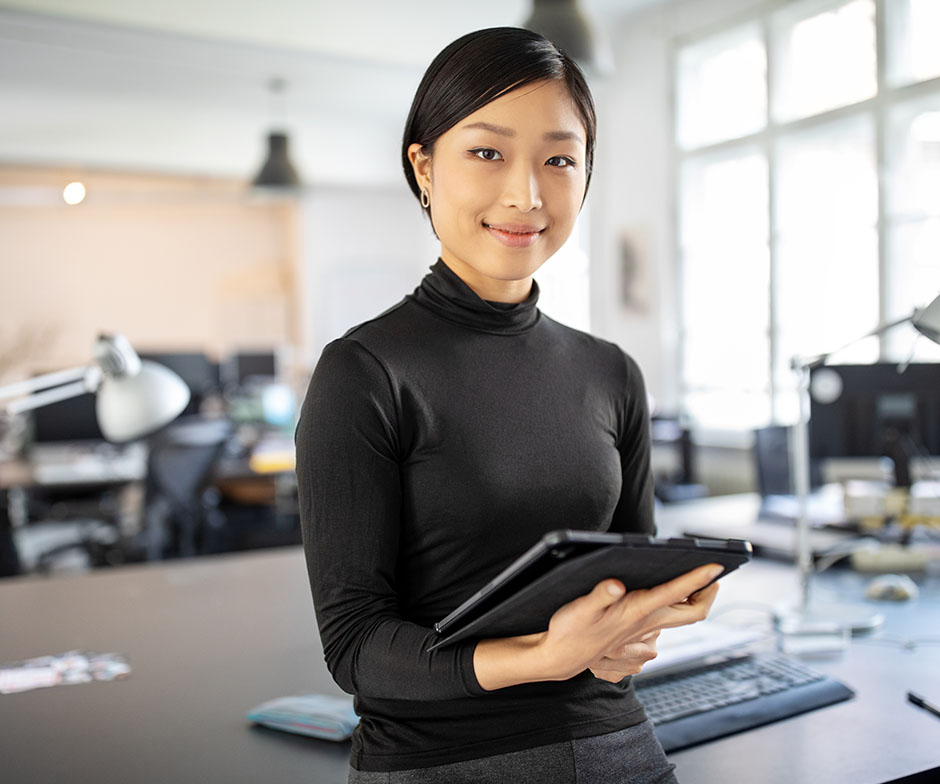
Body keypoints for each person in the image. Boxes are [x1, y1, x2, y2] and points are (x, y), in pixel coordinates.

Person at [295, 26, 720, 784]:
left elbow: (624, 597)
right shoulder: (363, 372)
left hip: (616, 744)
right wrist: (542, 657)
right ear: (423, 166)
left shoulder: (612, 373)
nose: (526, 194)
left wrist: (634, 635)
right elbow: (356, 645)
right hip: (440, 762)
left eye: (559, 159)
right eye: (487, 153)